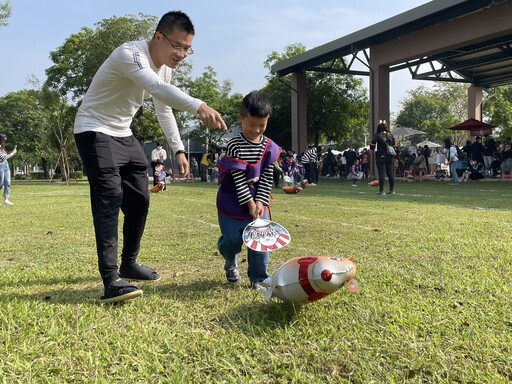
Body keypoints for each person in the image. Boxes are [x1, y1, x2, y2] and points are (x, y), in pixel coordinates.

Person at [73, 11, 227, 303]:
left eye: (187, 48)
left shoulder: (165, 68)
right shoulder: (130, 54)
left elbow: (163, 106)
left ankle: (129, 263)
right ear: (159, 37)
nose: (181, 54)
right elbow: (156, 88)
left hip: (123, 132)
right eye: (177, 46)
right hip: (94, 128)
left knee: (140, 199)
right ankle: (110, 280)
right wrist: (198, 105)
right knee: (109, 200)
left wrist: (178, 148)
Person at [215, 90, 281, 291]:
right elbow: (237, 178)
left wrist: (260, 202)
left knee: (260, 238)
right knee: (232, 240)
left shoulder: (269, 146)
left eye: (262, 125)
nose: (257, 130)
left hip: (258, 200)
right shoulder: (234, 145)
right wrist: (250, 202)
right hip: (233, 199)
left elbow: (267, 177)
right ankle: (230, 260)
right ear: (240, 118)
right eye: (252, 125)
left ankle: (259, 277)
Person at [370, 121, 396, 195]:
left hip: (381, 156)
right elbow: (394, 146)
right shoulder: (390, 135)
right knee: (390, 173)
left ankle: (381, 190)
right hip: (390, 156)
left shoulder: (377, 135)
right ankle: (392, 189)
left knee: (382, 173)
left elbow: (372, 146)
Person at [0, 134, 17, 206]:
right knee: (0, 183)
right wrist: (12, 153)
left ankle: (6, 200)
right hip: (0, 165)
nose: (5, 142)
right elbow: (2, 158)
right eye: (4, 140)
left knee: (7, 182)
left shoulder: (2, 148)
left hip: (6, 165)